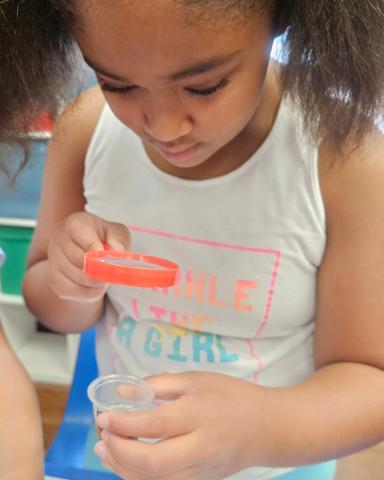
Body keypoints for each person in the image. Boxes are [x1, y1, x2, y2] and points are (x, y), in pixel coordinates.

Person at [22, 0, 384, 479]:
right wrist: (69, 280)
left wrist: (261, 428)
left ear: (280, 17)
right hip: (122, 451)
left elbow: (369, 381)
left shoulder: (343, 157)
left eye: (204, 86)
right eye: (118, 84)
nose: (164, 127)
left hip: (276, 465)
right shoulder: (87, 131)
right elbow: (51, 307)